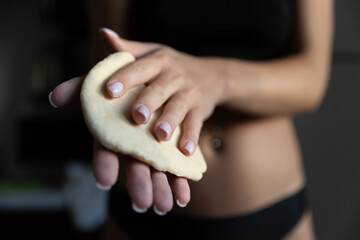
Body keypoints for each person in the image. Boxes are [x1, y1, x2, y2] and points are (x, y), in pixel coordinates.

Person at [49, 0, 333, 239]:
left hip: (272, 211)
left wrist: (217, 78)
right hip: (142, 212)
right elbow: (112, 59)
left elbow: (312, 79)